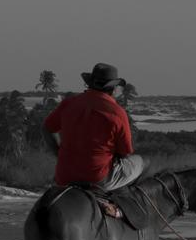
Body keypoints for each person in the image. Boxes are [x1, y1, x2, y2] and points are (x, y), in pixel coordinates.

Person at [42, 62, 144, 191]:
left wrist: (58, 154)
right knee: (142, 162)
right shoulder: (117, 112)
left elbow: (47, 128)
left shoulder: (69, 103)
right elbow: (125, 153)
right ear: (112, 88)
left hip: (64, 175)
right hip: (98, 178)